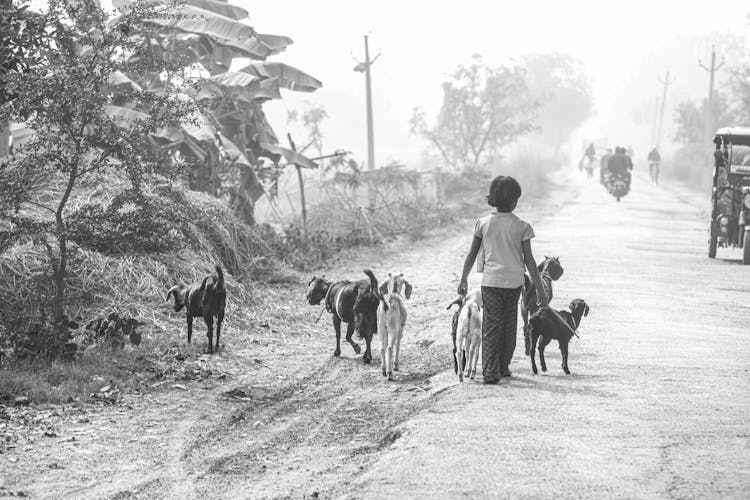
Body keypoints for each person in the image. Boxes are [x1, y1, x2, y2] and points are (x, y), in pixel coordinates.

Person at [458, 176, 549, 383]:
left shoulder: (482, 223)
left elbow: (471, 254)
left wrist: (463, 279)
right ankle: (502, 367)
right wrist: (541, 290)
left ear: (493, 199)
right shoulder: (522, 227)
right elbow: (530, 261)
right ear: (514, 201)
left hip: (490, 283)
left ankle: (491, 371)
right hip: (514, 284)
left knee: (491, 327)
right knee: (509, 327)